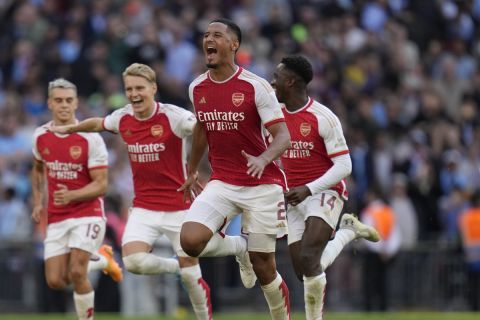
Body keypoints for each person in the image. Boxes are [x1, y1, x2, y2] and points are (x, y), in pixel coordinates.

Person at [49, 63, 214, 319]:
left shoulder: (174, 116)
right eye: (129, 89)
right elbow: (100, 124)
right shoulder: (123, 116)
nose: (134, 93)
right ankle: (175, 267)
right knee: (134, 262)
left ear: (153, 88)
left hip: (178, 206)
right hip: (144, 207)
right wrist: (71, 128)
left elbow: (202, 129)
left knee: (193, 278)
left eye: (140, 88)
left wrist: (193, 168)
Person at [179, 18, 292, 319]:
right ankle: (237, 248)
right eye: (205, 35)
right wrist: (191, 169)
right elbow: (201, 129)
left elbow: (283, 136)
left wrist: (263, 158)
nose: (208, 40)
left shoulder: (255, 87)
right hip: (223, 182)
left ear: (234, 44)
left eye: (217, 35)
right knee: (189, 241)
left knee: (264, 266)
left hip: (263, 183)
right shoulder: (197, 88)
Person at [270, 55, 380, 320]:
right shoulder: (274, 117)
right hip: (293, 197)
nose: (272, 82)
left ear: (290, 81)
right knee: (304, 270)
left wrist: (308, 189)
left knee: (309, 258)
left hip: (324, 191)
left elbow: (344, 165)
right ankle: (346, 232)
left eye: (276, 78)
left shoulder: (323, 117)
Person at [31, 78, 123, 320]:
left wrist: (71, 195)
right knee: (55, 280)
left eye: (69, 101)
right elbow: (38, 169)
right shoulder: (40, 135)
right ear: (50, 103)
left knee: (77, 271)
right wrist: (38, 200)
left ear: (76, 103)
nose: (64, 105)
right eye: (59, 100)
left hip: (88, 214)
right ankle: (102, 259)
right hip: (57, 217)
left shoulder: (90, 138)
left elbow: (101, 185)